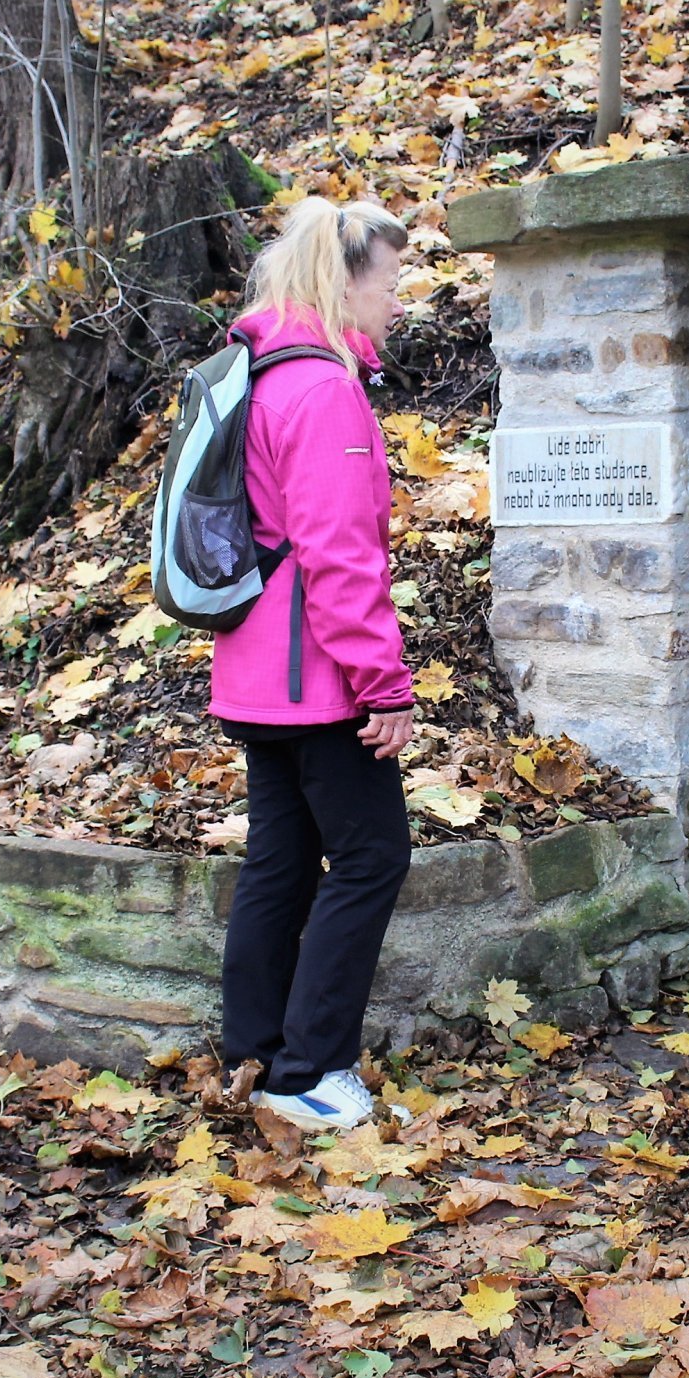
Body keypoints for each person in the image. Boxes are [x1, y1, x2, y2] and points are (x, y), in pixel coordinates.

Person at [211, 195, 416, 1133]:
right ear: (343, 282)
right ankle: (310, 1072)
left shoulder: (262, 371)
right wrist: (385, 686)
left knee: (282, 861)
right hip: (318, 678)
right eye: (391, 282)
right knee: (373, 856)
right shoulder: (324, 389)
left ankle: (254, 1053)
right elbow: (339, 556)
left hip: (257, 669)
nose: (399, 301)